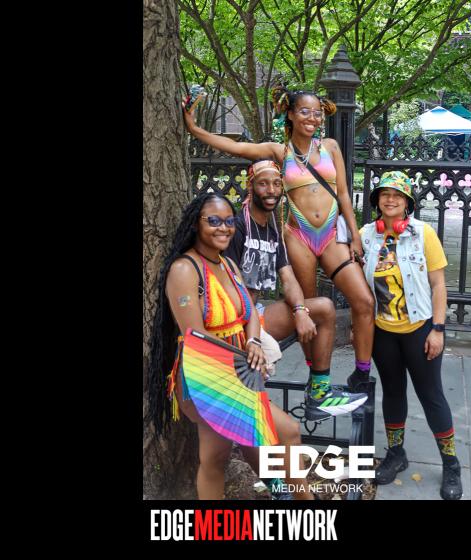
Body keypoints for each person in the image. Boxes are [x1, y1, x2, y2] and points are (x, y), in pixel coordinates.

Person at [182, 85, 376, 409]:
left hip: (331, 234)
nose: (312, 118)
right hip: (299, 236)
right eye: (305, 111)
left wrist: (354, 234)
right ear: (291, 114)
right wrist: (195, 129)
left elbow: (343, 193)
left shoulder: (330, 147)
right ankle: (317, 382)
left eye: (317, 113)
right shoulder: (279, 151)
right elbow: (236, 146)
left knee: (364, 300)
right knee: (309, 310)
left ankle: (362, 373)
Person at [147, 191, 315, 500]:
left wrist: (252, 341)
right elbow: (195, 335)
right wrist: (244, 356)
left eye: (229, 221)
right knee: (284, 432)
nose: (223, 228)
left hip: (239, 369)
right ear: (196, 224)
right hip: (206, 374)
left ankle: (282, 494)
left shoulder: (228, 266)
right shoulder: (185, 269)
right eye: (213, 221)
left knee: (222, 453)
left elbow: (249, 313)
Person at [223, 158, 367, 421]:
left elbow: (288, 278)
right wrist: (253, 334)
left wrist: (300, 310)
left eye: (277, 184)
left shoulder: (272, 230)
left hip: (257, 314)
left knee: (323, 308)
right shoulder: (237, 227)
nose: (271, 190)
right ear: (250, 187)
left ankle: (318, 395)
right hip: (233, 320)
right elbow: (230, 285)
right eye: (263, 184)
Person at [358, 171, 463, 500]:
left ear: (407, 203)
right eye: (385, 194)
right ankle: (396, 454)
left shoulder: (423, 234)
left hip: (420, 329)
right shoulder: (365, 236)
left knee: (431, 395)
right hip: (383, 333)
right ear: (377, 201)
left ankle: (451, 464)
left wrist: (438, 329)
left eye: (398, 195)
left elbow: (438, 285)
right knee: (392, 393)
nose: (390, 200)